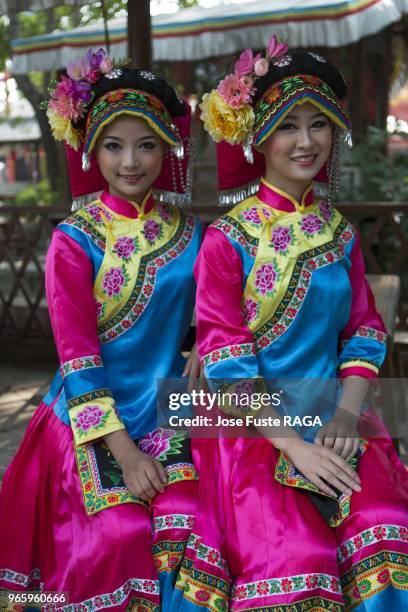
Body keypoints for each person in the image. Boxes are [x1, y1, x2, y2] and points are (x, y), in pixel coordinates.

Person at [173, 36, 408, 610]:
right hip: (250, 429)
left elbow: (363, 333)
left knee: (386, 524)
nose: (306, 142)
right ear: (259, 137)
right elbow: (227, 364)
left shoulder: (341, 234)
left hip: (338, 416)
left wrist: (349, 416)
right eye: (287, 126)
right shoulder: (227, 240)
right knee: (293, 557)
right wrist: (292, 446)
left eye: (318, 125)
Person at [0, 49, 202, 610]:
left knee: (192, 522)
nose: (130, 161)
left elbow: (218, 313)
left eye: (146, 144)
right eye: (113, 145)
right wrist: (127, 454)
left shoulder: (195, 234)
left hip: (170, 411)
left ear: (168, 148)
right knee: (117, 535)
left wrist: (204, 342)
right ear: (92, 151)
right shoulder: (75, 239)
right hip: (92, 421)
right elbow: (78, 358)